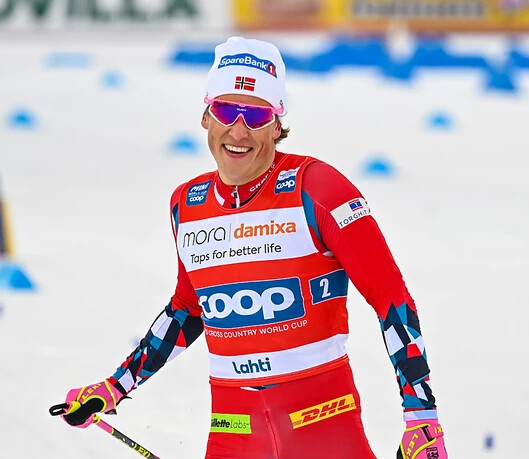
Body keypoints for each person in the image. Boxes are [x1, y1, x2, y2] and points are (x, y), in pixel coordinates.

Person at [56, 36, 448, 459]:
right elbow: (188, 310)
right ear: (206, 116)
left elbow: (391, 298)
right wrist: (117, 386)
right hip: (233, 430)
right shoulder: (186, 205)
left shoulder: (319, 189)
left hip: (323, 424)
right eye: (226, 110)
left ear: (277, 124)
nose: (238, 131)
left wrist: (421, 415)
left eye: (257, 115)